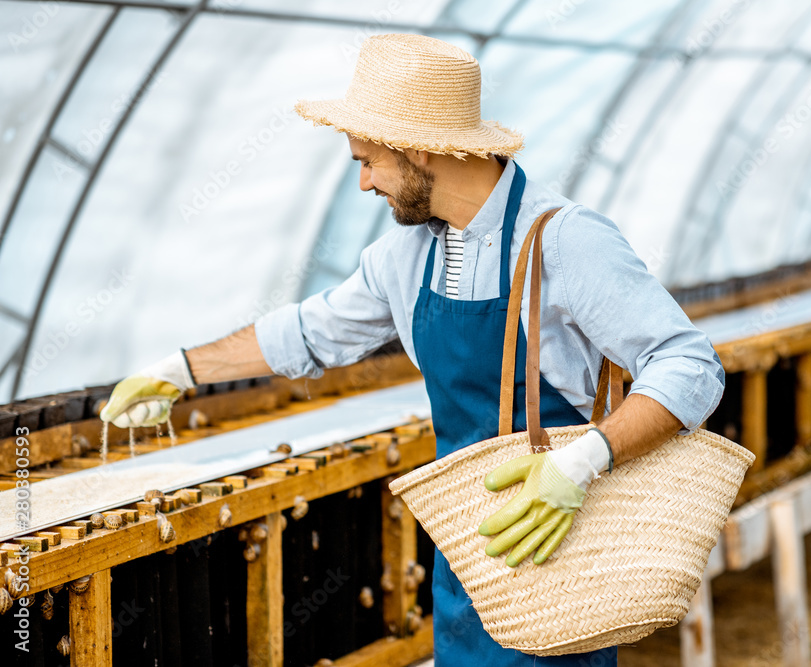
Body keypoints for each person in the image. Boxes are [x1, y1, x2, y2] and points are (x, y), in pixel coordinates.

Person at [100, 33, 725, 667]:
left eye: (369, 161)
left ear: (423, 150)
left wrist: (581, 462)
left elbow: (690, 366)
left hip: (558, 544)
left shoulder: (563, 241)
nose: (365, 183)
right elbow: (311, 332)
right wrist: (178, 371)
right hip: (467, 552)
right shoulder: (408, 255)